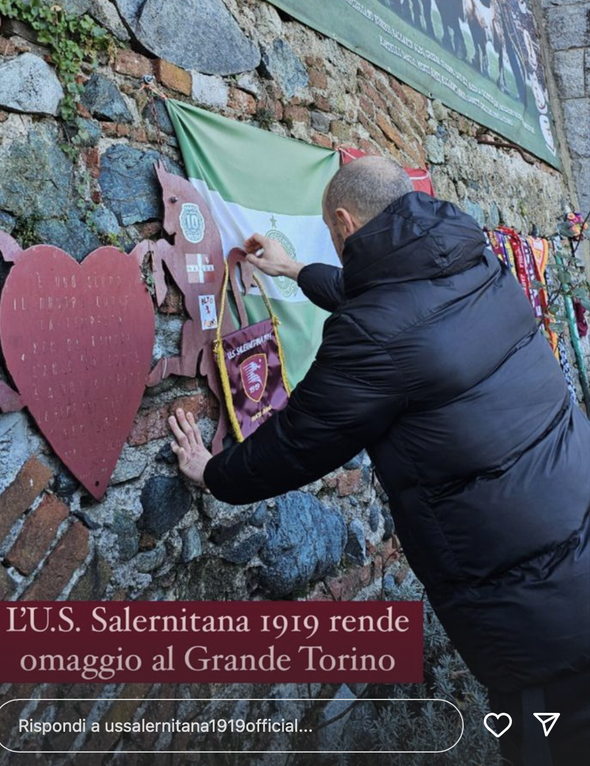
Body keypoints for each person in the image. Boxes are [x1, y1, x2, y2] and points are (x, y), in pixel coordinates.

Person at [170, 156, 590, 766]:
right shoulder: (472, 261)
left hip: (538, 620)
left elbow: (297, 443)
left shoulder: (376, 333)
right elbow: (395, 301)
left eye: (330, 234)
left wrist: (211, 472)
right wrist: (296, 270)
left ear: (344, 222)